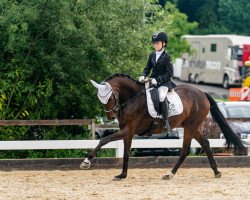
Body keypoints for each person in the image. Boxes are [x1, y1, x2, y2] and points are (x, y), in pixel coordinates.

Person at [139, 31, 176, 131]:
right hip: (152, 81)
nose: (155, 45)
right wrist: (143, 75)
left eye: (157, 43)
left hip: (164, 83)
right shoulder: (152, 55)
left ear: (164, 43)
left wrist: (158, 80)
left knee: (161, 96)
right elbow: (147, 68)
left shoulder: (167, 57)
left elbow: (170, 74)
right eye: (154, 43)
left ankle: (165, 121)